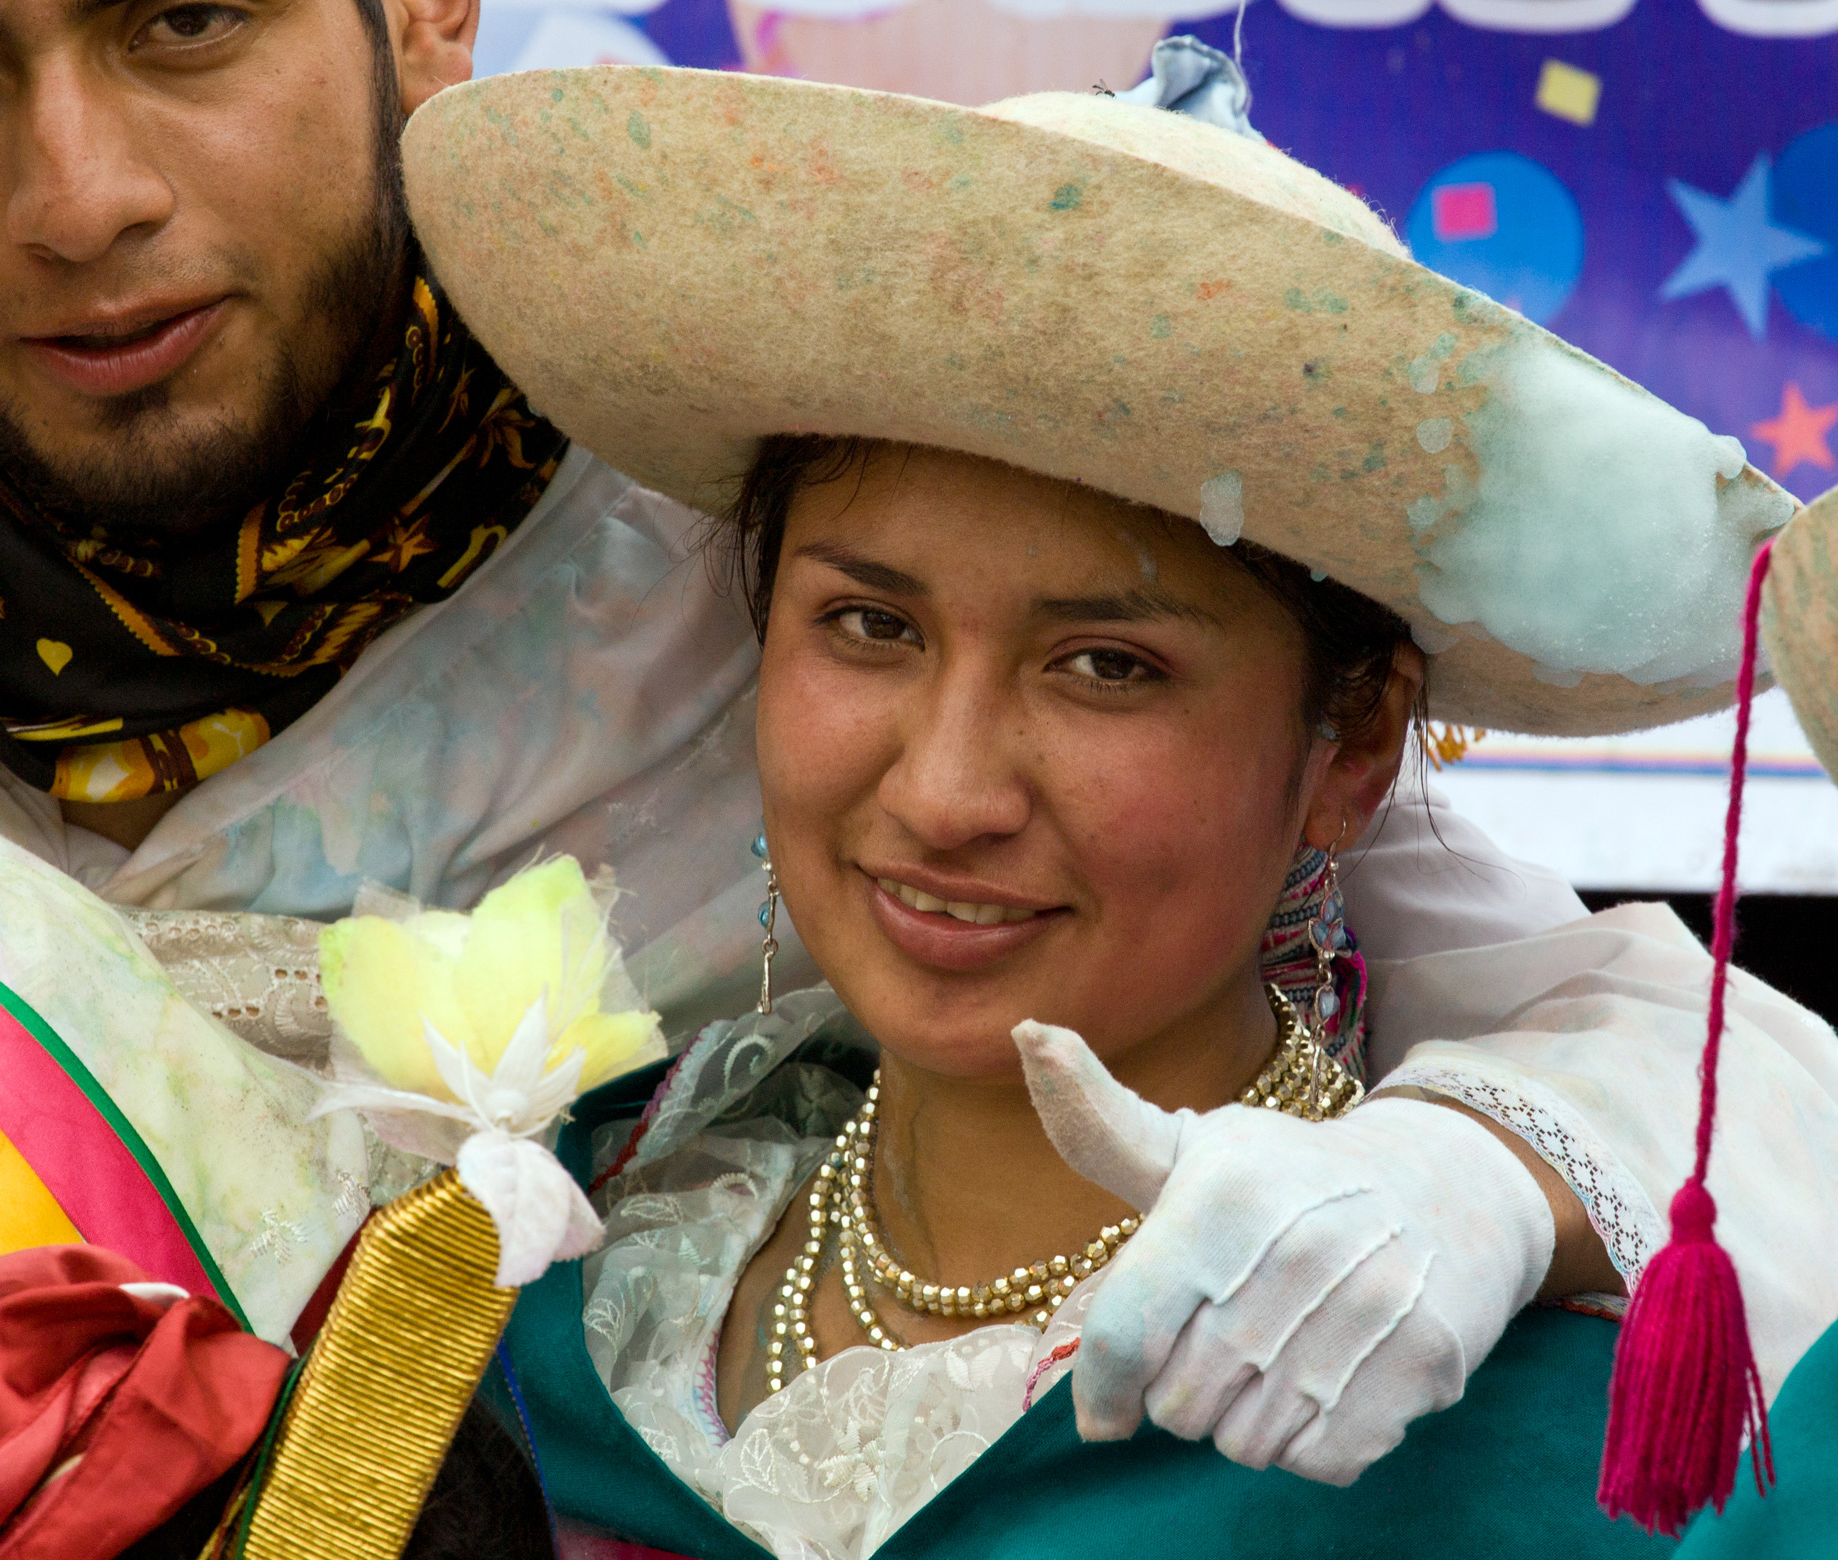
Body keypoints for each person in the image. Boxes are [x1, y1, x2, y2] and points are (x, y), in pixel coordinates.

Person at [0, 0, 1817, 1492]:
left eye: (182, 17)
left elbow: (1674, 1070)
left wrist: (1473, 1173)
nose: (78, 192)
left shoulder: (753, 507)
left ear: (427, 11)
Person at [384, 58, 1838, 1556]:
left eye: (1105, 666)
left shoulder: (1522, 1455)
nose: (945, 793)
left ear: (1351, 745)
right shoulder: (519, 1281)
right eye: (871, 627)